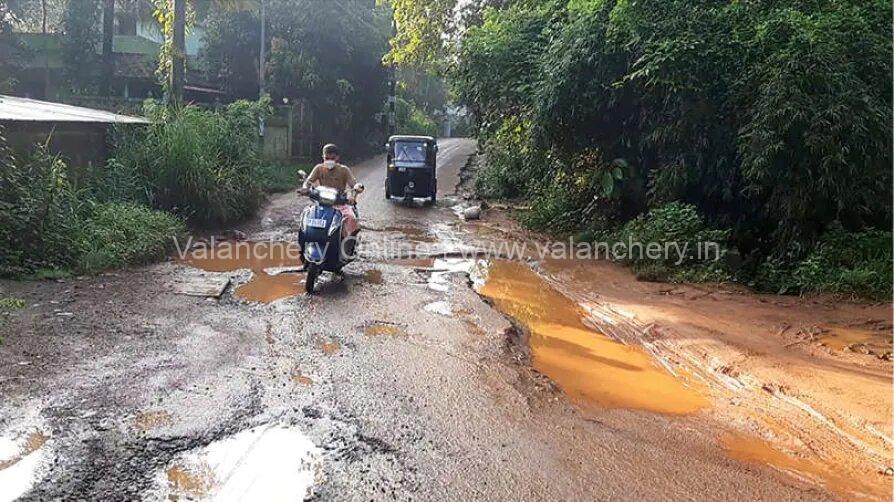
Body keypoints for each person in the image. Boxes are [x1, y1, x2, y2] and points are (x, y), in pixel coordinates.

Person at [297, 144, 364, 263]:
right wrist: (305, 188)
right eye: (326, 158)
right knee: (306, 215)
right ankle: (302, 248)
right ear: (323, 157)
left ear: (337, 158)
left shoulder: (344, 170)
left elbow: (353, 183)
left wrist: (357, 187)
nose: (329, 161)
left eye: (332, 158)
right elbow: (309, 181)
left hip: (339, 203)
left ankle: (347, 248)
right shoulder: (319, 168)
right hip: (322, 203)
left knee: (351, 218)